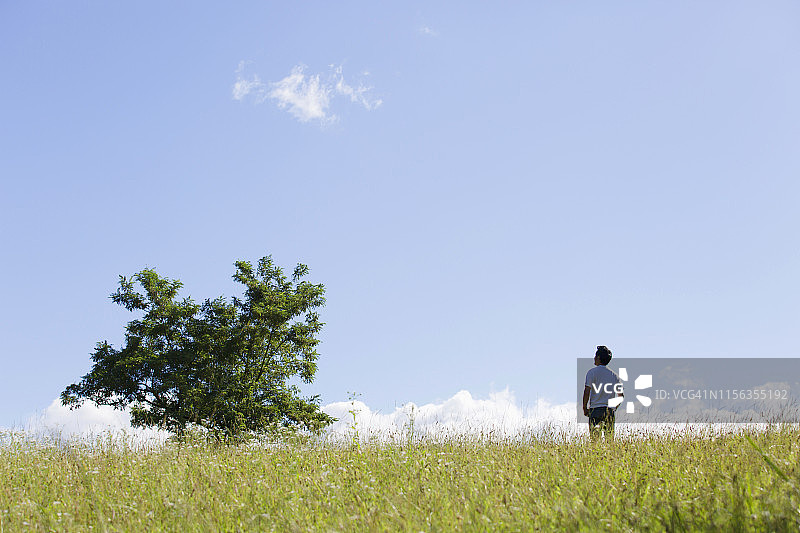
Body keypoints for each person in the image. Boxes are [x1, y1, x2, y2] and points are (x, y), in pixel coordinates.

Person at [582, 345, 623, 440]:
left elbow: (587, 391)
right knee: (609, 441)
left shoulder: (591, 372)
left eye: (595, 356)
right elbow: (621, 396)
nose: (594, 358)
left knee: (595, 441)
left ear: (599, 358)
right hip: (609, 411)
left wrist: (585, 407)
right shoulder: (614, 375)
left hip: (595, 410)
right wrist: (614, 408)